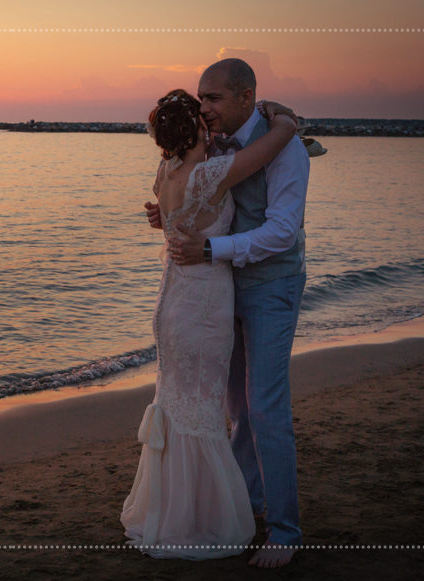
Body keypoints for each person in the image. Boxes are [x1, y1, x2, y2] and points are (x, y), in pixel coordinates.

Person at [142, 58, 310, 568]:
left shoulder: (286, 151)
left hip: (270, 285)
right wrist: (171, 219)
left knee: (264, 408)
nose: (205, 108)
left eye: (213, 98)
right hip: (217, 293)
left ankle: (284, 532)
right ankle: (246, 504)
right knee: (234, 407)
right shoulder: (213, 149)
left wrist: (210, 248)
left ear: (246, 97)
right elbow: (197, 197)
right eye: (200, 99)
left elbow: (283, 232)